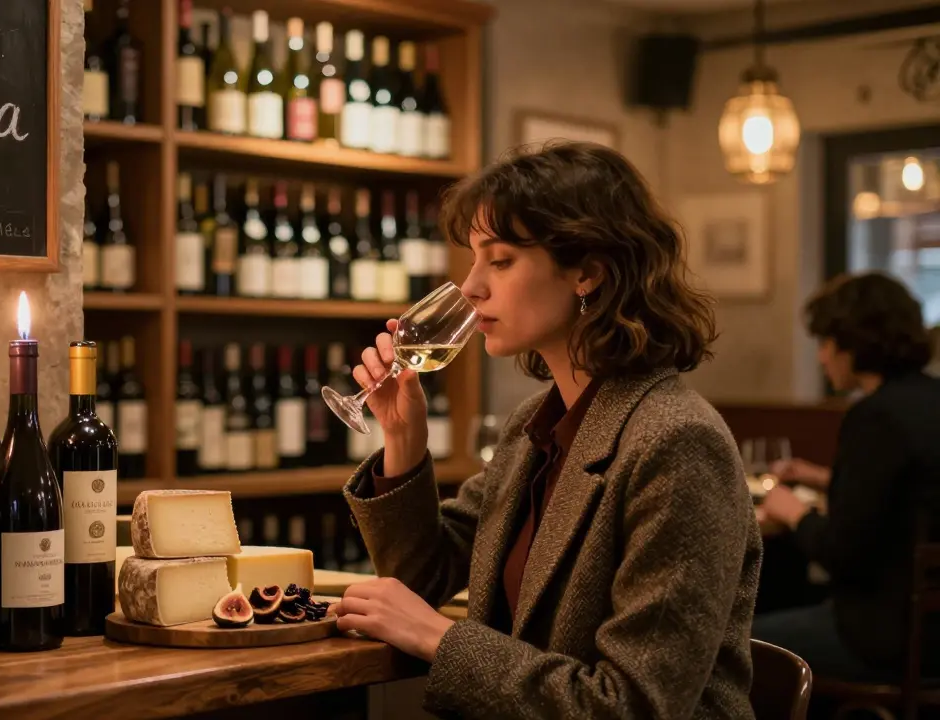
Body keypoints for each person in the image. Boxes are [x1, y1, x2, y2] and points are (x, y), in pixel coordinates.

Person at [331, 141, 762, 718]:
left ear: (587, 271)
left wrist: (439, 638)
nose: (470, 287)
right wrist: (403, 443)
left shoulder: (677, 441)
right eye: (474, 258)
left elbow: (634, 705)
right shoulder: (536, 424)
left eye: (500, 260)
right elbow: (423, 578)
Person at [755, 272, 940, 681]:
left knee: (733, 645)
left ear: (853, 343)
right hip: (930, 630)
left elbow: (842, 553)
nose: (821, 357)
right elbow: (911, 488)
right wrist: (821, 477)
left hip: (888, 639)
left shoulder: (874, 417)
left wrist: (791, 510)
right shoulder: (929, 399)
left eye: (825, 342)